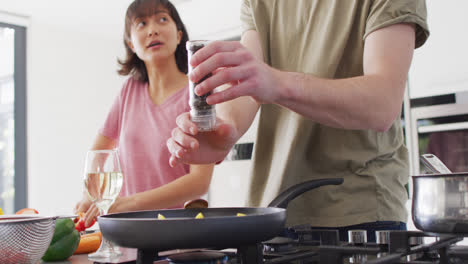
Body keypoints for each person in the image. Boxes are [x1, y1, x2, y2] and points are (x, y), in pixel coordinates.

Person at [166, 0, 429, 242]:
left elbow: (382, 104)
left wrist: (276, 83)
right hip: (273, 216)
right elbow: (248, 86)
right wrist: (224, 131)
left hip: (360, 219)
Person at [75, 0, 214, 227]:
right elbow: (99, 153)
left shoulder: (198, 93)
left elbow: (199, 182)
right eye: (141, 23)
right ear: (131, 44)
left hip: (180, 236)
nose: (153, 30)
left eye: (162, 19)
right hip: (129, 233)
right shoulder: (128, 91)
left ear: (179, 36)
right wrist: (88, 196)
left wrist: (124, 205)